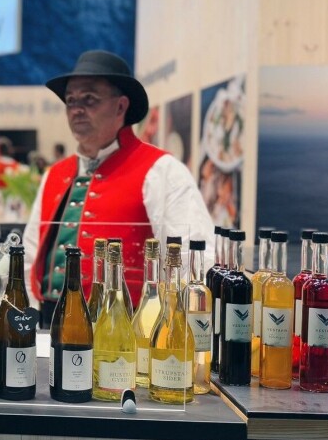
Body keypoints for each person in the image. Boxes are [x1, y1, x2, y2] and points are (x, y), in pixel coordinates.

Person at [23, 50, 213, 326]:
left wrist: (172, 330)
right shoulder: (55, 174)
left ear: (121, 107)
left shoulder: (161, 169)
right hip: (48, 322)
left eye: (89, 99)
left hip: (125, 325)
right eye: (71, 100)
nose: (77, 109)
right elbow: (31, 252)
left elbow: (193, 258)